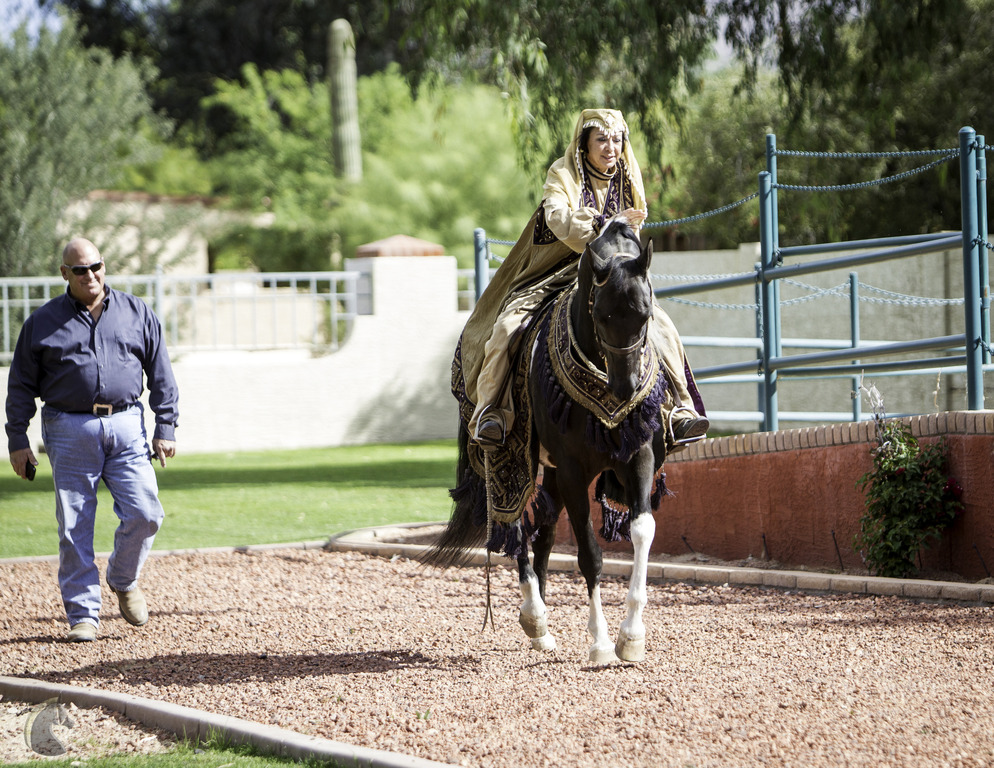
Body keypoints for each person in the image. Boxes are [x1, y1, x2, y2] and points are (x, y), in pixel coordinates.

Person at [454, 107, 707, 448]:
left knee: (662, 325)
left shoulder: (628, 174)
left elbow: (632, 232)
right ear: (584, 144)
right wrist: (606, 222)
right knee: (505, 329)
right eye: (601, 139)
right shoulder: (562, 172)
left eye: (616, 139)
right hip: (555, 273)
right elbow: (557, 218)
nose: (610, 147)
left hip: (612, 277)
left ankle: (680, 410)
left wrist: (620, 229)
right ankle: (492, 413)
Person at [5, 237, 179, 643]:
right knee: (74, 525)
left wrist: (165, 428)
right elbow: (20, 387)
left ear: (105, 265)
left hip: (127, 424)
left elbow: (162, 374)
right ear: (65, 273)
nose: (90, 275)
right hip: (68, 428)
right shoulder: (42, 322)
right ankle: (84, 613)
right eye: (80, 269)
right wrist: (18, 439)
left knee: (146, 512)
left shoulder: (137, 313)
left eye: (96, 266)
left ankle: (122, 578)